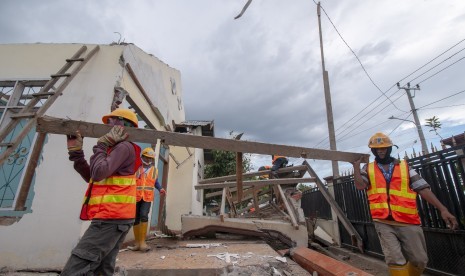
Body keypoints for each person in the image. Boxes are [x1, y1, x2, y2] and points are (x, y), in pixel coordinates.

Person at [352, 132, 458, 276]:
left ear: (389, 148)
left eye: (384, 148)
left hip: (408, 221)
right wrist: (356, 168)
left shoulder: (405, 167)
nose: (380, 151)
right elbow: (360, 186)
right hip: (383, 221)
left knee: (420, 260)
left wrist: (443, 209)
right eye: (377, 149)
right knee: (395, 259)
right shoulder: (368, 169)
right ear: (373, 151)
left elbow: (423, 189)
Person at [62, 108, 142, 276]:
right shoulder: (114, 149)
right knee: (102, 270)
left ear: (121, 124)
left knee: (75, 269)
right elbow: (93, 176)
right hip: (113, 217)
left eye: (110, 122)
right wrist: (76, 154)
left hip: (111, 218)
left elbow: (98, 173)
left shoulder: (124, 147)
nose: (106, 125)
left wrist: (102, 145)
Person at [128, 147, 166, 252]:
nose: (148, 160)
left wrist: (160, 188)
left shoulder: (154, 170)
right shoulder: (137, 168)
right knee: (135, 218)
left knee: (144, 215)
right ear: (142, 157)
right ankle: (137, 243)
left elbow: (155, 182)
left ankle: (142, 242)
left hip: (147, 197)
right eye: (147, 157)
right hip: (136, 196)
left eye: (150, 158)